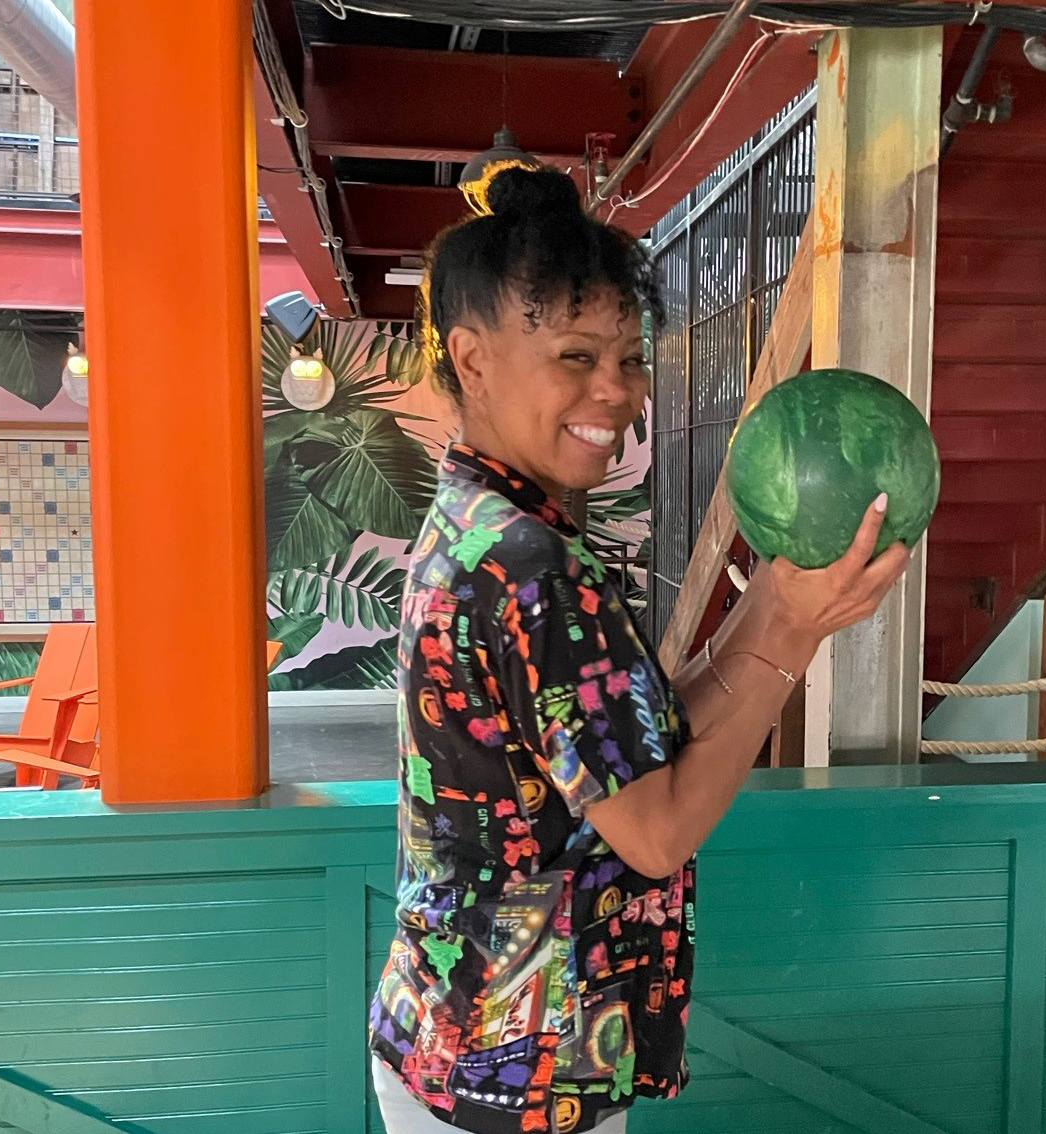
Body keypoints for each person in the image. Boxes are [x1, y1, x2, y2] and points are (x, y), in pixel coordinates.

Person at [368, 164, 910, 1134]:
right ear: (474, 358)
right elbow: (656, 830)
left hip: (460, 1042)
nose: (614, 393)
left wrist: (780, 594)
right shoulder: (529, 564)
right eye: (576, 357)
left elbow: (641, 736)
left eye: (628, 356)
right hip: (514, 1077)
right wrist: (790, 635)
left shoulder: (484, 525)